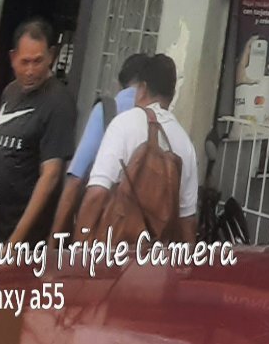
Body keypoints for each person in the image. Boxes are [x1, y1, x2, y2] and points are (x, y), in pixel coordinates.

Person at [77, 54, 200, 244]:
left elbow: (97, 194)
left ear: (142, 88)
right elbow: (187, 221)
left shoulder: (124, 123)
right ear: (172, 95)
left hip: (114, 251)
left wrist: (78, 251)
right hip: (158, 257)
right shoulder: (185, 143)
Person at [0, 18, 77, 245]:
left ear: (51, 56)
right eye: (25, 62)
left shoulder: (58, 103)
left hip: (22, 241)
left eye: (38, 61)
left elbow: (51, 176)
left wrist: (14, 242)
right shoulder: (9, 92)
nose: (31, 70)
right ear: (13, 58)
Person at [52, 54, 149, 236]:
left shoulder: (108, 110)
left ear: (120, 83)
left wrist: (53, 241)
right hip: (143, 236)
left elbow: (76, 179)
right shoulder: (159, 121)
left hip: (102, 232)